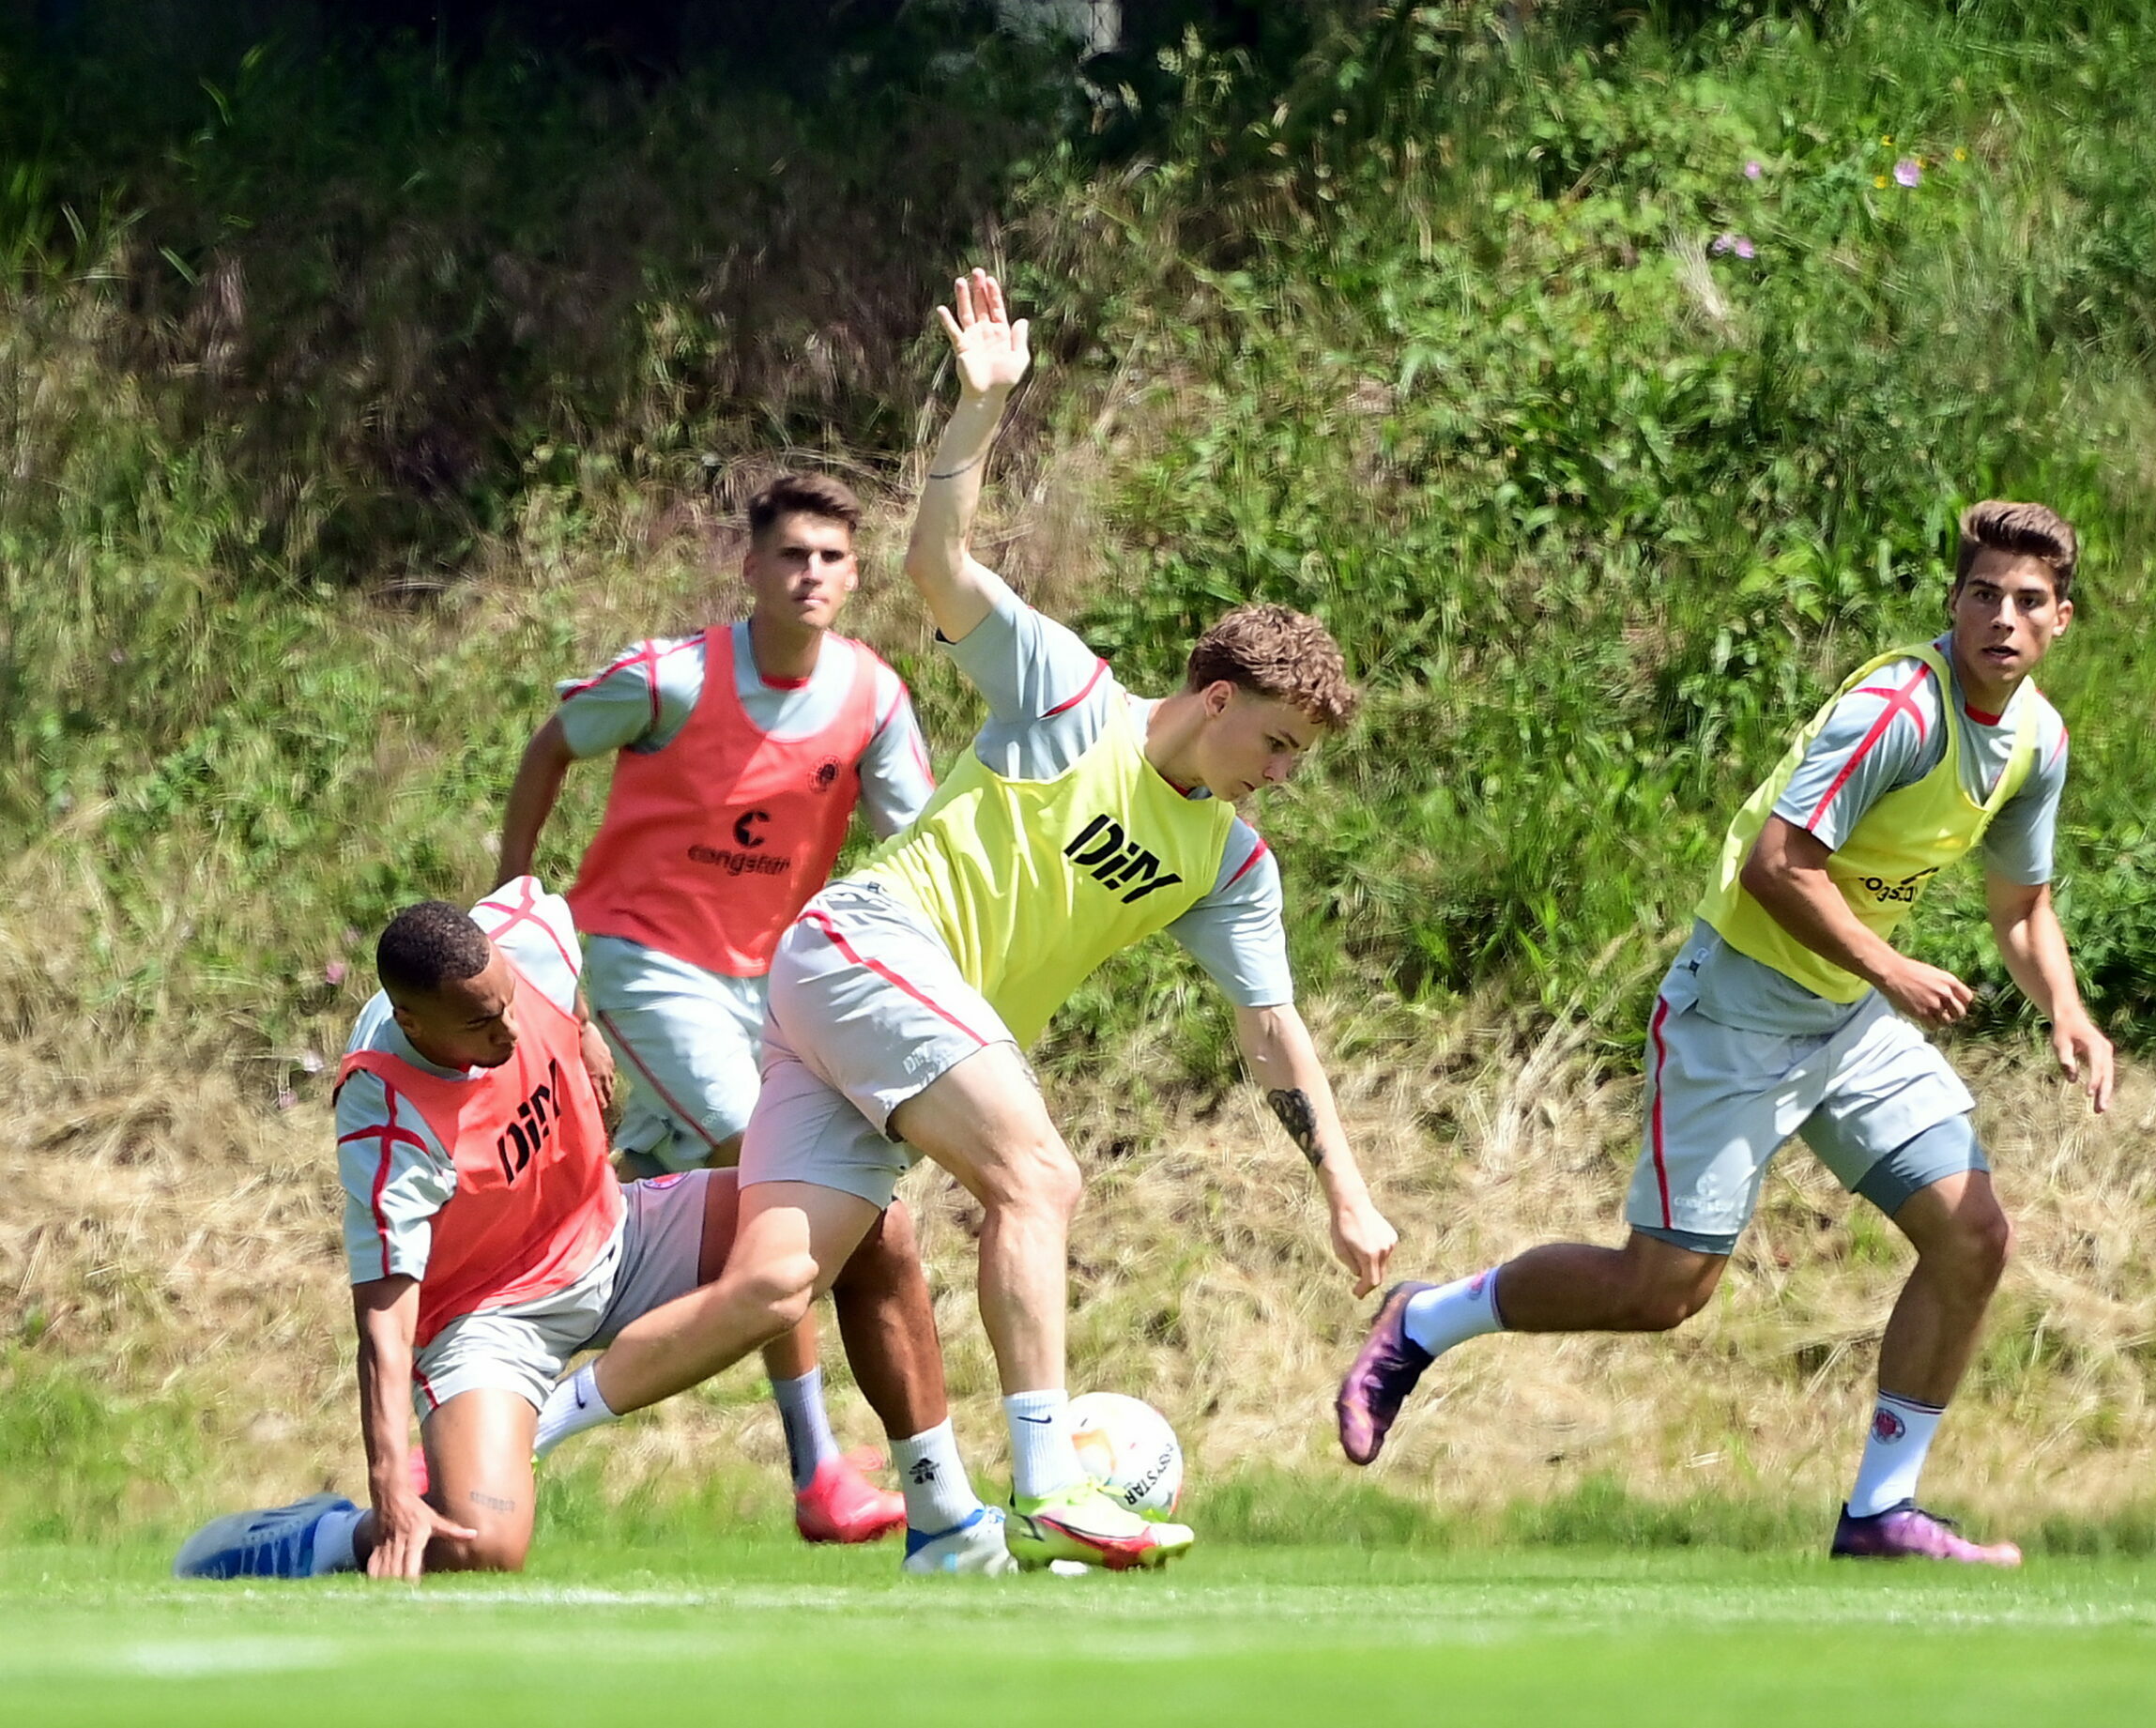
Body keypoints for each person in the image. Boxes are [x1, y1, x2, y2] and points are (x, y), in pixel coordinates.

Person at [539, 268, 1400, 1573]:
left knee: (775, 1285)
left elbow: (1272, 1031)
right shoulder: (1067, 694)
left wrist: (1344, 1186)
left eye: (1300, 759)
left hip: (845, 1014)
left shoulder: (1230, 864)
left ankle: (502, 1433)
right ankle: (1049, 1482)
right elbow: (936, 563)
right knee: (1038, 1174)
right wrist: (977, 417)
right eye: (1275, 743)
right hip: (869, 946)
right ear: (1214, 697)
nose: (1281, 773)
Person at [1337, 501, 2114, 1566]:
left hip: (1846, 1019)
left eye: (2028, 601)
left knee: (1973, 1233)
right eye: (1983, 593)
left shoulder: (2035, 741)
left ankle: (1881, 1510)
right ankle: (1425, 1319)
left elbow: (2021, 909)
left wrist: (2066, 1010)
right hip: (1739, 1007)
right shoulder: (1897, 707)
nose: (2003, 617)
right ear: (1953, 602)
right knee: (1660, 1293)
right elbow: (1777, 864)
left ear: (2059, 620)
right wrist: (1890, 966)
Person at [172, 881, 964, 1581]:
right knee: (479, 1543)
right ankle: (324, 1536)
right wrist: (389, 1485)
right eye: (482, 1025)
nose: (511, 1031)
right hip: (494, 1318)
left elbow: (550, 927)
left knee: (873, 1228)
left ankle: (944, 1520)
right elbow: (384, 1320)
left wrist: (583, 1031)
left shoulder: (521, 940)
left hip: (620, 1232)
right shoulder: (385, 1112)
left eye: (510, 1001)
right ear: (412, 1021)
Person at [493, 473, 940, 1543]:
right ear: (750, 568)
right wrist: (510, 896)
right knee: (781, 1176)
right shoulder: (674, 678)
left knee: (602, 1223)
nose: (811, 573)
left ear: (855, 574)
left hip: (772, 985)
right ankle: (820, 1472)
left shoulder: (873, 697)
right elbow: (553, 740)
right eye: (791, 554)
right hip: (648, 963)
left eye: (831, 557)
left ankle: (470, 1399)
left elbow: (921, 846)